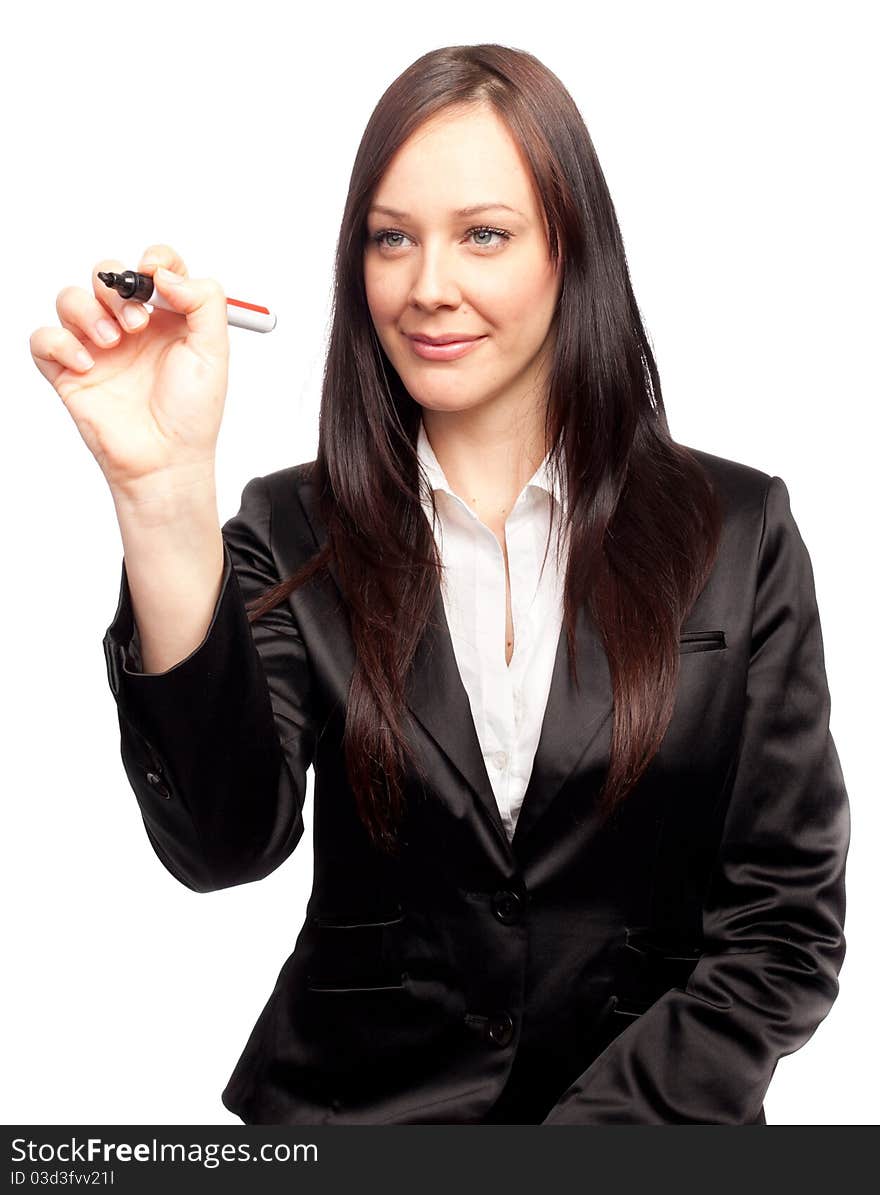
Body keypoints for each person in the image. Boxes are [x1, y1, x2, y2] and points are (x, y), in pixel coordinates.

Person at [29, 43, 850, 1125]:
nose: (427, 288)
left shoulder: (736, 531)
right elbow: (223, 841)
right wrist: (164, 492)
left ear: (571, 251)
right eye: (390, 240)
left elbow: (782, 925)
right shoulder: (292, 528)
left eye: (483, 235)